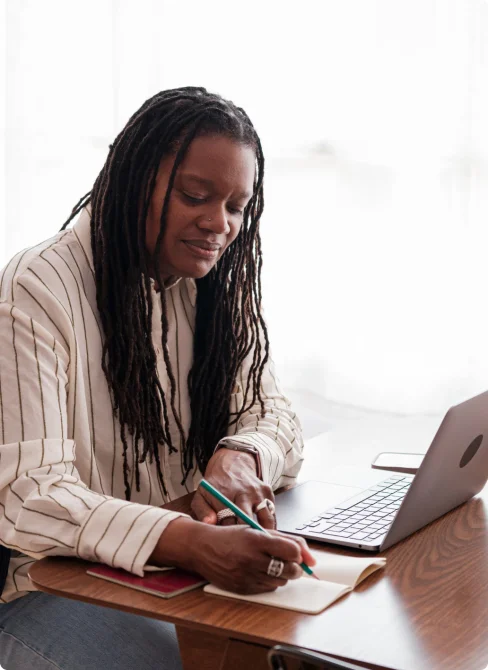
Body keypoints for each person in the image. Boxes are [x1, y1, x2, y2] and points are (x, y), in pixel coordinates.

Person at [0, 86, 313, 669]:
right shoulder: (37, 288)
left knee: (298, 651)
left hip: (179, 574)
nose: (219, 224)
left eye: (236, 206)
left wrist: (239, 457)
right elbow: (31, 497)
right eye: (196, 195)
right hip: (55, 586)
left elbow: (275, 414)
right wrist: (192, 541)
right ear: (135, 179)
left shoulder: (214, 286)